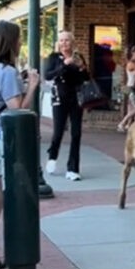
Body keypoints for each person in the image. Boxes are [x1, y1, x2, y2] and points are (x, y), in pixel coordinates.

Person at [0, 20, 40, 269]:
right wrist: (32, 86)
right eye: (19, 38)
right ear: (10, 42)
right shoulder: (7, 72)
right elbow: (16, 113)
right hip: (1, 140)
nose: (21, 42)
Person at [44, 31, 89, 181]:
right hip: (59, 98)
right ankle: (52, 156)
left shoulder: (78, 57)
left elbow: (86, 78)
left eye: (67, 40)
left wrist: (81, 67)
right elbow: (48, 75)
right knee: (58, 131)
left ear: (72, 42)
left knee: (76, 133)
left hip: (76, 99)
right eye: (61, 40)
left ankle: (73, 169)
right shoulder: (54, 58)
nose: (64, 43)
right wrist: (64, 64)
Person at [117, 44, 135, 132]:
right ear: (132, 54)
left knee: (131, 108)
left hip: (132, 87)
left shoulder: (133, 63)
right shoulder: (132, 64)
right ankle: (122, 123)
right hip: (131, 88)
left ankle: (129, 125)